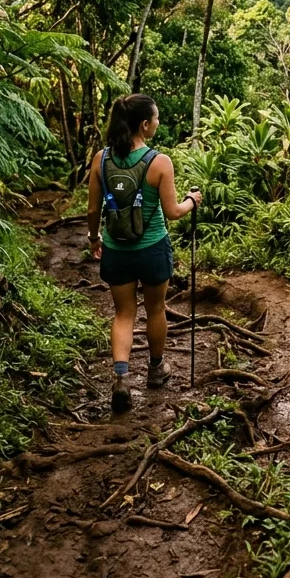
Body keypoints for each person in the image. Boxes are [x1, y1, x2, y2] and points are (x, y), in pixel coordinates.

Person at [87, 94, 202, 412]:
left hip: (116, 249)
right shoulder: (159, 162)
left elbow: (93, 208)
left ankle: (121, 379)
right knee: (156, 309)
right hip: (152, 249)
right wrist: (192, 200)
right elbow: (174, 211)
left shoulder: (101, 159)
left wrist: (95, 238)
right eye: (157, 118)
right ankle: (155, 370)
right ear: (144, 124)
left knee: (123, 314)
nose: (159, 122)